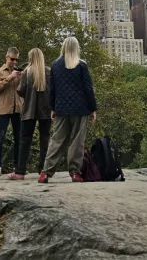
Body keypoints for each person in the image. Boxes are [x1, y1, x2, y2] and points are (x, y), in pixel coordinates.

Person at [39, 36, 97, 183]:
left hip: (61, 109)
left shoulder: (55, 65)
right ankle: (74, 173)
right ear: (77, 48)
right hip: (80, 108)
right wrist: (93, 108)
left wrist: (53, 107)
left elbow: (52, 90)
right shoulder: (81, 65)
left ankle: (45, 172)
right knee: (77, 141)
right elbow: (88, 89)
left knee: (57, 140)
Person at [8, 48, 52, 180]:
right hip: (46, 109)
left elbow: (21, 91)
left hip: (29, 109)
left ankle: (20, 171)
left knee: (25, 140)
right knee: (45, 139)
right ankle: (43, 170)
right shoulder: (49, 71)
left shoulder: (27, 72)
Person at [0, 47, 23, 176]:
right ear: (6, 57)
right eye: (12, 59)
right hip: (4, 109)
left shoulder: (18, 72)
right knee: (0, 137)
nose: (14, 62)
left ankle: (17, 166)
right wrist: (10, 77)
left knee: (19, 138)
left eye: (16, 60)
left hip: (17, 109)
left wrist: (22, 77)